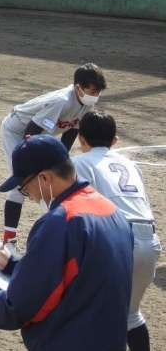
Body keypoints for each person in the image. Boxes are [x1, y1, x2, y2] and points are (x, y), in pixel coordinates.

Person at [0, 134, 133, 350]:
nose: (30, 196)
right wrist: (14, 266)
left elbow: (19, 307)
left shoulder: (60, 221)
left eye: (25, 187)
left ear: (44, 178)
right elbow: (81, 275)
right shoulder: (111, 210)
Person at [72, 110, 160, 351]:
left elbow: (81, 208)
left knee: (90, 313)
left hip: (118, 241)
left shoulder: (80, 162)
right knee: (131, 315)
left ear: (81, 139)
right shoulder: (130, 164)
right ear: (114, 141)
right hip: (149, 240)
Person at [0, 63, 106, 244]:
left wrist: (60, 160)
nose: (95, 96)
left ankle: (59, 232)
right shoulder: (61, 101)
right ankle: (8, 242)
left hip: (38, 132)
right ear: (78, 88)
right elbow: (31, 130)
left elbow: (72, 130)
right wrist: (30, 160)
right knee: (22, 182)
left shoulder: (86, 103)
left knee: (54, 180)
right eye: (92, 91)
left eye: (98, 92)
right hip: (16, 130)